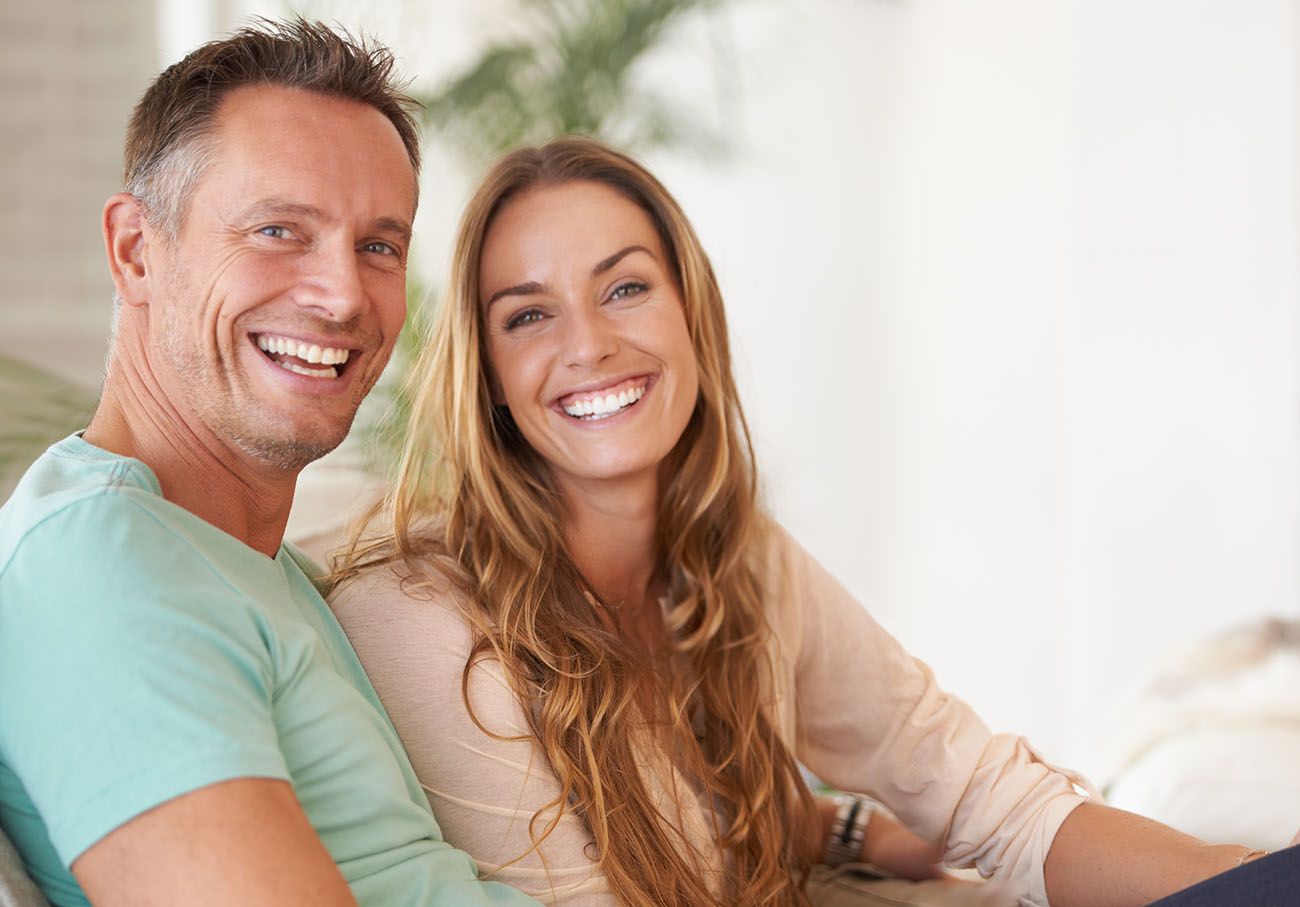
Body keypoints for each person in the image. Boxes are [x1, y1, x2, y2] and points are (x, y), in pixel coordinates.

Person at [329, 135, 1299, 907]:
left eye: (625, 286)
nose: (590, 342)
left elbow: (987, 795)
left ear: (689, 315)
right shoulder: (425, 616)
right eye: (527, 315)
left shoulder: (733, 558)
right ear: (490, 378)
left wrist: (1241, 876)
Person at [0, 20, 539, 907]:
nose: (342, 295)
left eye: (378, 246)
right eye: (279, 229)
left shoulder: (251, 564)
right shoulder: (100, 561)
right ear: (136, 251)